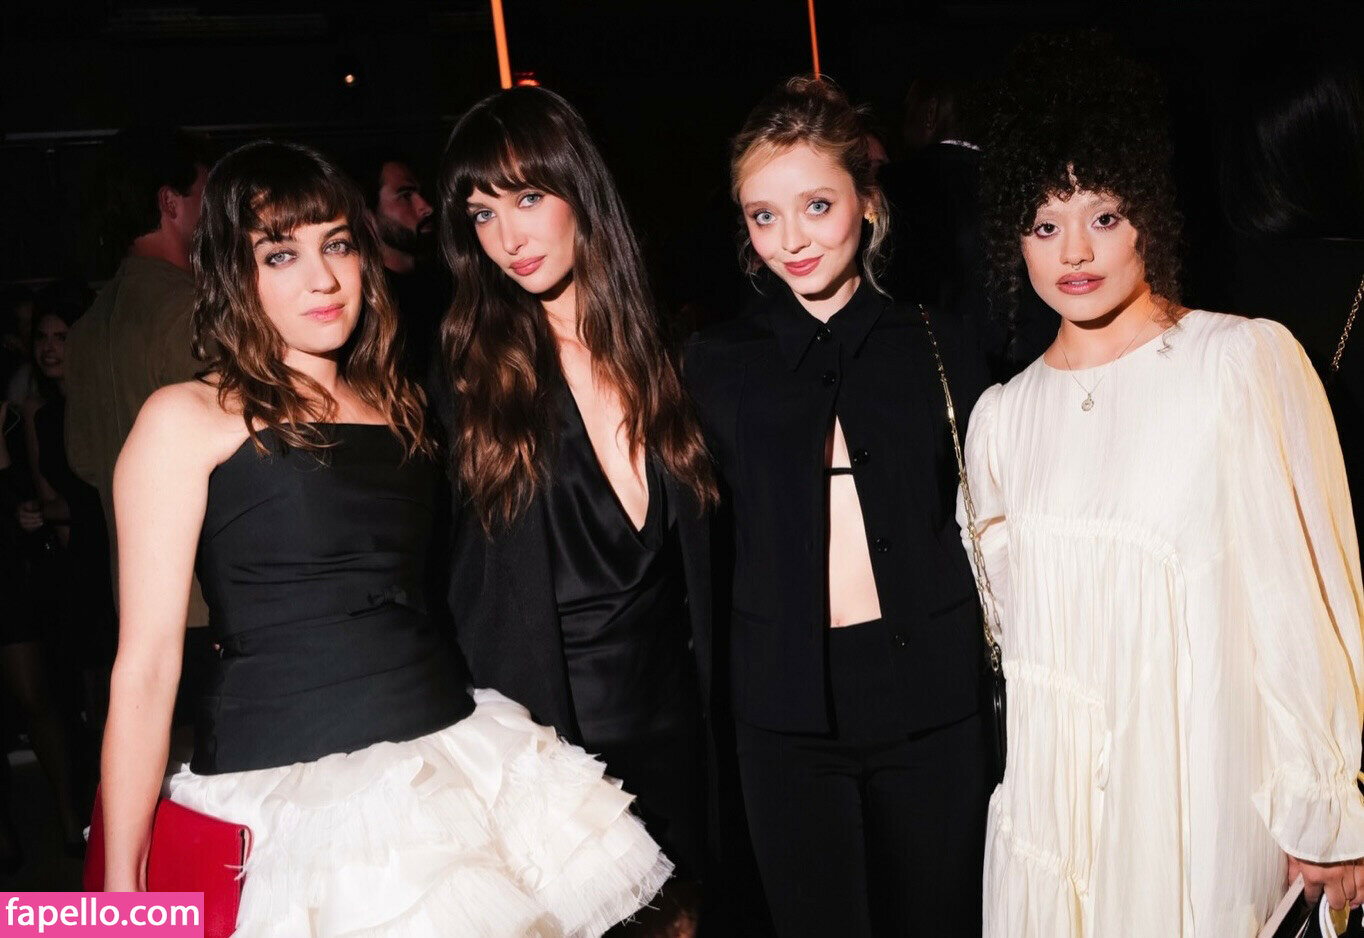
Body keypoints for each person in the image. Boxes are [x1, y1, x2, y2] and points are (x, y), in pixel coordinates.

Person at [99, 140, 671, 936]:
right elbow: (146, 666)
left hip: (450, 755)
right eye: (280, 254)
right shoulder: (186, 418)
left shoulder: (399, 404)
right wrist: (119, 890)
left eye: (336, 245)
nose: (323, 279)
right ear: (234, 273)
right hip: (293, 793)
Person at [968, 34, 1364, 936]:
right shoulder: (1000, 420)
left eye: (1105, 216)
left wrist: (1324, 811)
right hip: (1053, 830)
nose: (1075, 250)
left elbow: (1299, 602)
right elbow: (1024, 649)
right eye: (1045, 224)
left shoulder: (1240, 363)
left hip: (1199, 814)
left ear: (1150, 210)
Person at [685, 75, 991, 938]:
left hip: (934, 704)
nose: (791, 240)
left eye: (816, 205)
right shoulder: (713, 365)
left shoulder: (941, 344)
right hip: (783, 718)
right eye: (764, 215)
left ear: (867, 199)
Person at [435, 86, 717, 935]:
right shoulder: (469, 384)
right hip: (554, 756)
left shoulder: (673, 357)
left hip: (683, 735)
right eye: (483, 214)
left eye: (527, 198)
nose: (508, 238)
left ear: (580, 191)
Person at [63, 127, 216, 728]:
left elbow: (82, 459)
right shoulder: (191, 310)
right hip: (209, 597)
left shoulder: (87, 326)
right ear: (170, 202)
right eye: (205, 193)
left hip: (135, 599)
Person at [346, 150, 449, 382]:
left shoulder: (446, 283)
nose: (426, 207)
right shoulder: (367, 303)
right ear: (368, 217)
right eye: (405, 195)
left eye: (421, 193)